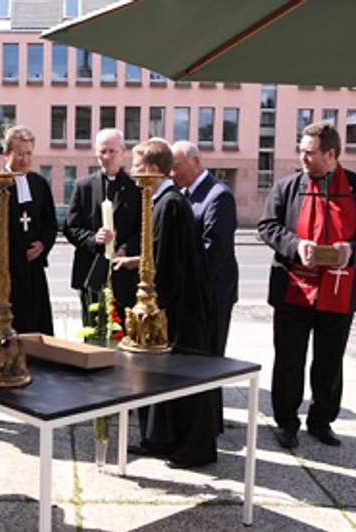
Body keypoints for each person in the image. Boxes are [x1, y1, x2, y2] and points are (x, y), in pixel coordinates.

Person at [258, 122, 356, 450]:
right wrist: (296, 245)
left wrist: (351, 250)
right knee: (289, 359)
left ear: (331, 154)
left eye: (309, 152)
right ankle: (286, 422)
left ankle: (321, 421)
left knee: (329, 360)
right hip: (294, 289)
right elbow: (267, 226)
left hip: (341, 290)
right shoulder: (287, 187)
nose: (302, 157)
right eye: (301, 150)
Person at [113, 138, 218, 468]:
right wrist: (136, 261)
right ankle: (161, 439)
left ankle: (193, 448)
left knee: (185, 380)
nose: (132, 172)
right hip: (175, 303)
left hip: (181, 308)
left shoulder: (170, 204)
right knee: (163, 378)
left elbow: (169, 264)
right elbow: (160, 252)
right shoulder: (164, 201)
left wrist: (159, 305)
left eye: (137, 166)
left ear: (153, 168)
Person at [0, 125, 57, 358]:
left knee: (32, 330)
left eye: (28, 153)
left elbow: (50, 224)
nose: (25, 160)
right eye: (19, 153)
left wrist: (43, 244)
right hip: (0, 273)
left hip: (31, 272)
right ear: (6, 153)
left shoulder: (39, 184)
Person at [171, 140, 239, 432]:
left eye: (176, 166)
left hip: (212, 295)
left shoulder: (218, 196)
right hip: (194, 293)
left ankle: (209, 426)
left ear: (196, 162)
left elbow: (213, 252)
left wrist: (177, 273)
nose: (172, 173)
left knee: (209, 359)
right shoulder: (184, 193)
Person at [64, 128, 141, 325]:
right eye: (102, 151)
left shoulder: (136, 188)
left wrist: (127, 248)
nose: (107, 156)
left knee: (123, 328)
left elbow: (143, 229)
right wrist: (93, 238)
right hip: (91, 269)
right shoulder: (83, 186)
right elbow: (71, 227)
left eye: (112, 151)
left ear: (122, 151)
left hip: (125, 273)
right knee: (93, 328)